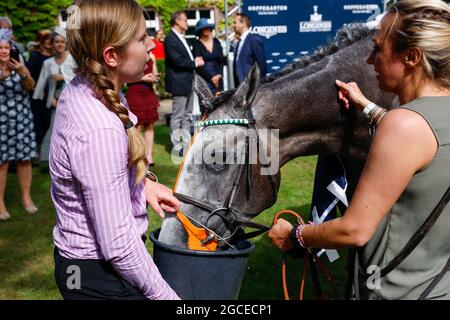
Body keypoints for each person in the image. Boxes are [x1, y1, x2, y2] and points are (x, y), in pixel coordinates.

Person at [269, 0, 450, 300]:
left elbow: (354, 229)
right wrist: (366, 105)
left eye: (379, 48)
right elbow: (424, 140)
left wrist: (296, 236)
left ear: (412, 57)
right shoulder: (423, 121)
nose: (370, 60)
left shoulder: (403, 126)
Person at [51, 0, 180, 299]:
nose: (151, 44)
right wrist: (167, 297)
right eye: (141, 37)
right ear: (111, 55)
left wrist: (144, 185)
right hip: (98, 275)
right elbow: (119, 244)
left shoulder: (90, 87)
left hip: (86, 270)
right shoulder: (99, 127)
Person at [0, 28, 37, 220]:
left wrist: (23, 73)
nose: (4, 51)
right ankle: (0, 203)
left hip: (21, 120)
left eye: (6, 47)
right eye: (0, 48)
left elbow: (30, 87)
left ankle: (26, 197)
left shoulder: (19, 64)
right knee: (2, 163)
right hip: (2, 123)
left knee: (24, 160)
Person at [33, 27, 76, 168]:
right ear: (52, 44)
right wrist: (50, 100)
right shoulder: (48, 63)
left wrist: (63, 76)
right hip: (54, 102)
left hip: (73, 101)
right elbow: (40, 86)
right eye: (56, 42)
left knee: (73, 131)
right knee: (54, 130)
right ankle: (53, 161)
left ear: (66, 44)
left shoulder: (72, 60)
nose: (59, 44)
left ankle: (74, 159)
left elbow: (80, 79)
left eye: (62, 42)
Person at [164, 11, 204, 153]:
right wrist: (194, 63)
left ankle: (186, 145)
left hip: (188, 81)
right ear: (177, 21)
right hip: (178, 83)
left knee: (188, 115)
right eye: (186, 20)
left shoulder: (182, 38)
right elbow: (177, 61)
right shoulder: (170, 39)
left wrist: (194, 62)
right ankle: (177, 146)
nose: (188, 23)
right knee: (178, 116)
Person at [126, 52, 159, 166]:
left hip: (148, 93)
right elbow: (126, 79)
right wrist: (142, 78)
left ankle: (149, 155)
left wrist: (154, 78)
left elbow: (155, 74)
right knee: (137, 126)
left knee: (149, 125)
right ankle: (138, 156)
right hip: (135, 93)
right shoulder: (132, 55)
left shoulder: (152, 56)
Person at [27, 29, 53, 149]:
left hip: (53, 93)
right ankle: (40, 150)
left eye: (50, 39)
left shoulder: (55, 55)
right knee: (40, 123)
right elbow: (29, 75)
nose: (48, 42)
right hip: (39, 95)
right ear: (41, 41)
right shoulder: (35, 56)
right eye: (46, 39)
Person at [192, 18, 225, 97]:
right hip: (204, 79)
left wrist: (219, 75)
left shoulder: (216, 42)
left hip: (218, 79)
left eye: (208, 27)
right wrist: (211, 78)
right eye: (204, 28)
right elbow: (199, 65)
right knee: (206, 104)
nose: (207, 29)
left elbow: (221, 60)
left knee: (220, 104)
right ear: (200, 31)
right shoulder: (196, 44)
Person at [232, 13, 266, 86]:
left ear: (243, 23)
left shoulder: (254, 40)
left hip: (251, 87)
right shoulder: (239, 42)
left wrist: (259, 85)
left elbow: (262, 65)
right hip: (240, 86)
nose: (233, 25)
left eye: (235, 22)